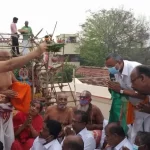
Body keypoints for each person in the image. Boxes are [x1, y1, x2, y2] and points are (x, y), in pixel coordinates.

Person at [105, 53, 150, 143]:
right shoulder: (116, 73)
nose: (132, 86)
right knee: (134, 135)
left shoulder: (135, 69)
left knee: (144, 137)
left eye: (110, 66)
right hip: (138, 108)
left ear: (120, 62)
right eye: (107, 66)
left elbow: (142, 94)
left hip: (145, 110)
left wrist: (121, 90)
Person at [0, 51, 18, 150]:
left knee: (9, 138)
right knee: (0, 139)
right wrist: (4, 93)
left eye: (9, 57)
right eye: (5, 57)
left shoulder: (9, 72)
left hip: (8, 108)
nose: (8, 60)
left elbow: (17, 86)